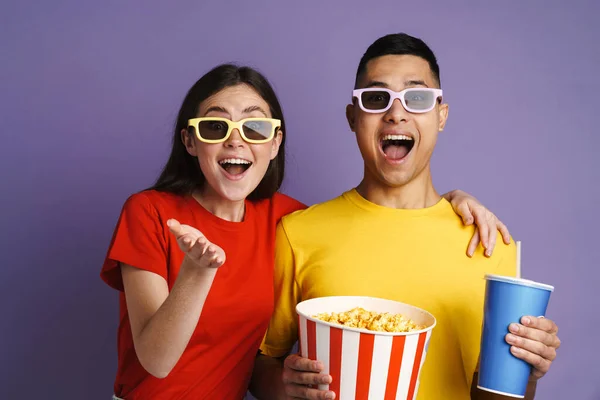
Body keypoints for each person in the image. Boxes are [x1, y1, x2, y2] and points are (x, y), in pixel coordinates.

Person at [100, 64, 512, 399]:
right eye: (214, 128)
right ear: (191, 142)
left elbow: (365, 222)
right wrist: (197, 272)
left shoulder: (286, 221)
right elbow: (155, 359)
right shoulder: (150, 212)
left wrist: (453, 201)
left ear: (275, 143)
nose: (235, 141)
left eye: (255, 128)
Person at [249, 33, 561, 400]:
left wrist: (529, 372)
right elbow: (259, 366)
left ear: (440, 116)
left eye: (417, 98)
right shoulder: (298, 233)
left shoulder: (489, 242)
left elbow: (498, 395)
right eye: (377, 98)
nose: (396, 113)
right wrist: (284, 386)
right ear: (353, 117)